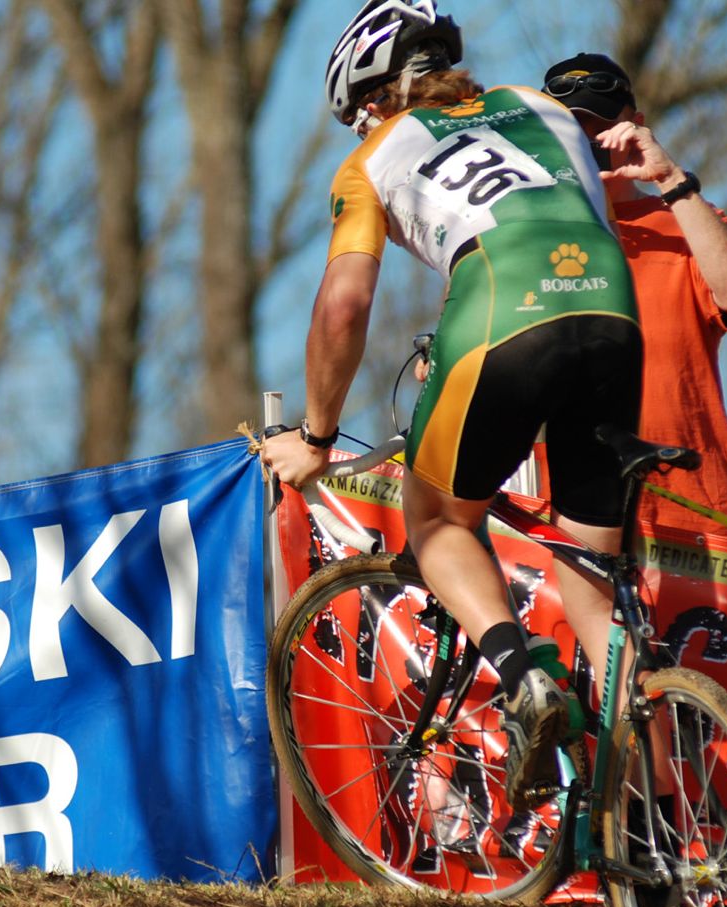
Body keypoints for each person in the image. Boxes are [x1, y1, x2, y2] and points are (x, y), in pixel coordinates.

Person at [261, 1, 643, 809]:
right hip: (612, 306)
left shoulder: (370, 157)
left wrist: (318, 437)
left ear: (371, 101)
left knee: (437, 521)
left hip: (501, 311)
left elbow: (342, 307)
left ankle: (521, 678)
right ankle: (643, 811)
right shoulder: (542, 106)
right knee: (591, 568)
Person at [542, 54, 727, 538]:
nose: (587, 142)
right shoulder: (528, 233)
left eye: (600, 129)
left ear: (636, 127)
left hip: (690, 508)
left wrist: (669, 180)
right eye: (570, 130)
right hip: (561, 513)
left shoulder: (686, 219)